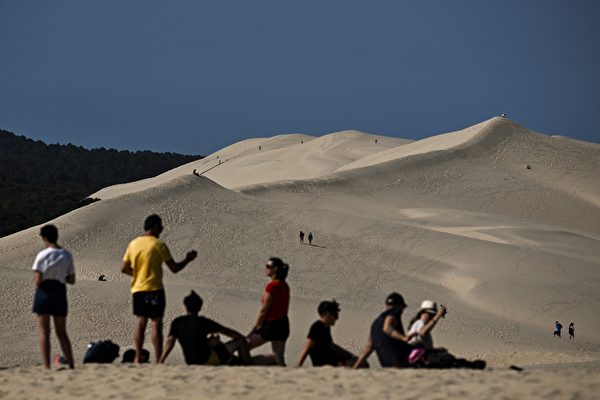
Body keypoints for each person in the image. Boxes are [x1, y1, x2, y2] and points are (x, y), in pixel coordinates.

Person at [121, 214, 198, 363]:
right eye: (160, 225)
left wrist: (137, 275)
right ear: (154, 226)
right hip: (155, 288)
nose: (162, 228)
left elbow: (124, 268)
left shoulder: (133, 244)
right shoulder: (158, 244)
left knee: (140, 320)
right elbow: (174, 268)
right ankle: (158, 359)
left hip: (138, 288)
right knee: (156, 322)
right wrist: (188, 259)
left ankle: (137, 357)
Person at [160, 291, 272, 365]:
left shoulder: (177, 322)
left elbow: (170, 341)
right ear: (199, 307)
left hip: (191, 361)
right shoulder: (203, 322)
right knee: (239, 342)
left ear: (185, 306)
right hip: (208, 360)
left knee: (226, 352)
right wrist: (244, 338)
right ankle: (249, 365)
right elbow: (228, 332)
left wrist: (162, 359)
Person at [32, 224, 76, 369]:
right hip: (59, 291)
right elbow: (71, 280)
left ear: (44, 238)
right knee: (62, 332)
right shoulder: (66, 255)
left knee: (44, 331)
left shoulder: (42, 255)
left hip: (44, 291)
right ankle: (71, 364)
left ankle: (46, 366)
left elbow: (38, 280)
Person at [296, 300, 367, 368]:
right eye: (335, 315)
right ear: (327, 314)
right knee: (362, 364)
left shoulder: (326, 327)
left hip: (333, 360)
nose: (337, 318)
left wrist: (350, 356)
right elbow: (308, 346)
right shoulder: (317, 326)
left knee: (362, 363)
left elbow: (331, 345)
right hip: (326, 363)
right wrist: (299, 364)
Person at [247, 257, 290, 366]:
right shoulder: (285, 286)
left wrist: (254, 329)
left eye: (268, 266)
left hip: (271, 324)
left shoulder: (272, 286)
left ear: (275, 269)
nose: (266, 269)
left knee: (244, 345)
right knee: (279, 357)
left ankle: (239, 365)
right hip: (283, 323)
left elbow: (264, 310)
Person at [353, 292, 415, 368]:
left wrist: (356, 366)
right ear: (400, 306)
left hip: (386, 363)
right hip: (398, 361)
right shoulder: (395, 312)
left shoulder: (376, 322)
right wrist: (404, 338)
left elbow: (369, 346)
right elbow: (387, 328)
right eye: (403, 307)